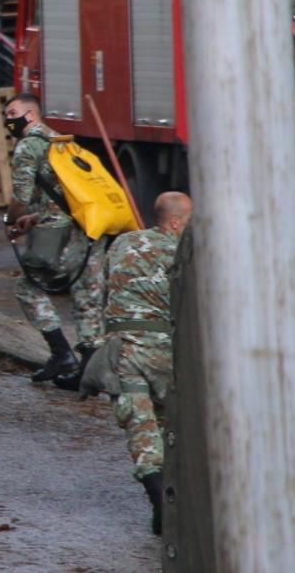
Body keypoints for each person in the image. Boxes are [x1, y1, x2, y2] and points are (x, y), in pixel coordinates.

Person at [105, 191, 191, 536]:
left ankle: (158, 500)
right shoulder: (184, 253)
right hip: (166, 349)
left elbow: (102, 286)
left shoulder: (122, 243)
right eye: (189, 220)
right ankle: (171, 505)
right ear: (174, 222)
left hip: (123, 348)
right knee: (170, 424)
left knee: (141, 427)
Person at [3, 93, 104, 384]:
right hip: (89, 227)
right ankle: (89, 369)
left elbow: (20, 196)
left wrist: (11, 219)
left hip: (59, 234)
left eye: (13, 113)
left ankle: (61, 353)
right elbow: (64, 193)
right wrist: (34, 217)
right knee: (87, 295)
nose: (9, 120)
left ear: (31, 115)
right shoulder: (63, 141)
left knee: (28, 288)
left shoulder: (28, 146)